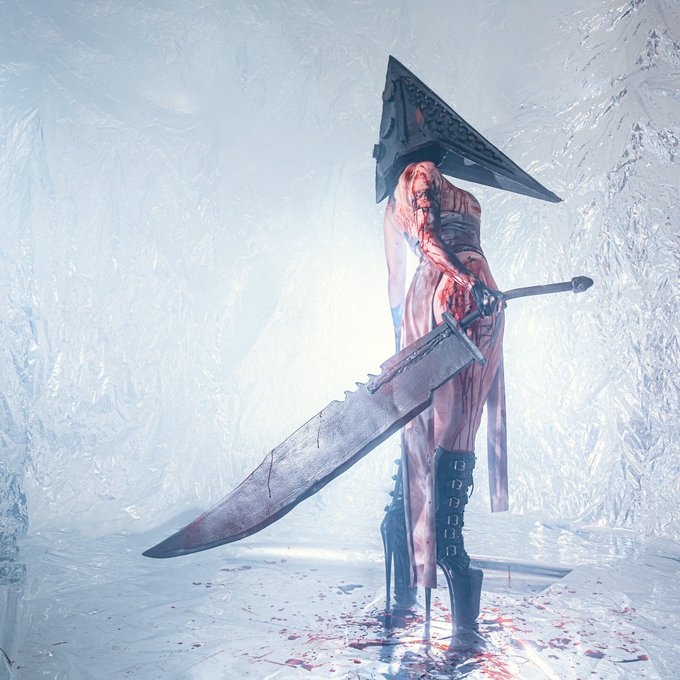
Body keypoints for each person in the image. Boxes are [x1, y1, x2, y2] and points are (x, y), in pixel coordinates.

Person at [380, 159, 504, 628]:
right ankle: (448, 547)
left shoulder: (397, 200)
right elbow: (429, 240)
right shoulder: (421, 171)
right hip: (456, 292)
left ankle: (408, 532)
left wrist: (403, 341)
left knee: (439, 422)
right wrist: (469, 281)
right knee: (454, 422)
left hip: (456, 294)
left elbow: (394, 285)